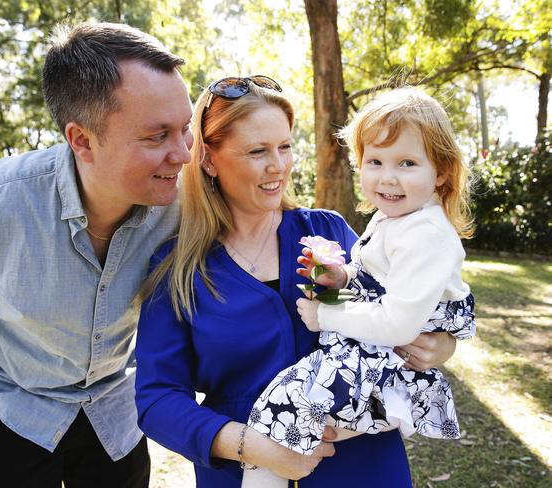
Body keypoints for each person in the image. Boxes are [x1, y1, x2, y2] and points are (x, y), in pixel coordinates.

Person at [134, 77, 458, 488]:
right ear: (210, 159)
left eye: (285, 147)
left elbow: (410, 302)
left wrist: (440, 345)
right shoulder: (179, 268)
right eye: (258, 151)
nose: (279, 166)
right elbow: (157, 398)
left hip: (363, 466)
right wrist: (251, 446)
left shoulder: (329, 231)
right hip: (242, 471)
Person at [0, 22, 193, 487]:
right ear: (81, 140)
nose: (181, 154)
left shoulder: (184, 205)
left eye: (185, 129)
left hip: (116, 423)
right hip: (8, 415)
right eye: (156, 136)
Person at [245, 87, 476, 488]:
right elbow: (373, 272)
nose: (387, 177)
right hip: (372, 353)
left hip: (386, 359)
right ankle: (362, 416)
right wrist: (343, 278)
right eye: (375, 161)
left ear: (440, 171)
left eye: (406, 162)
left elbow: (399, 324)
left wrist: (326, 314)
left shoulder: (427, 234)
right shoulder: (394, 219)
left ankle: (385, 407)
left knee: (280, 404)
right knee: (284, 412)